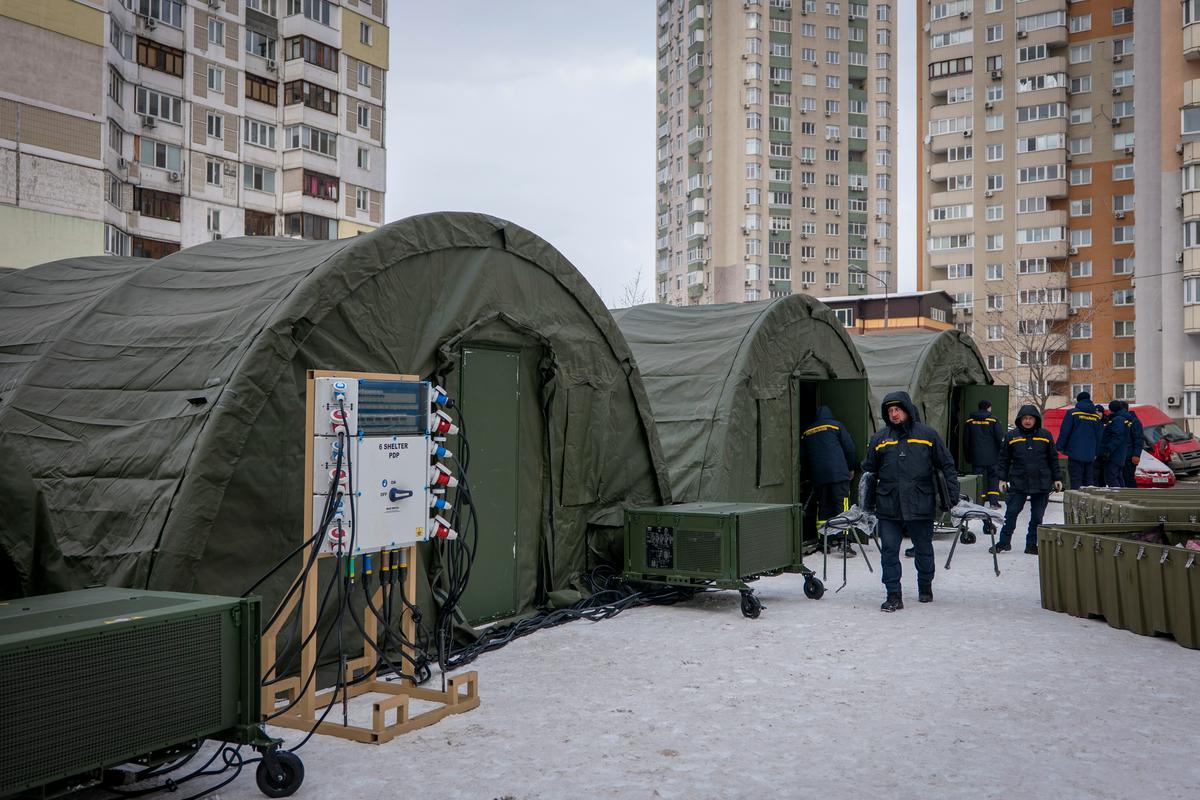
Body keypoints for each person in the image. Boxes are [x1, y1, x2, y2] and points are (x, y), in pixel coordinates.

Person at [861, 391, 959, 612]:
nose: (894, 414)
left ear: (906, 409)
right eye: (890, 411)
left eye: (897, 410)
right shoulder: (880, 439)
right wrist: (865, 504)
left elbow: (947, 465)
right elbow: (868, 471)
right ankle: (893, 595)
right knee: (889, 551)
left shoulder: (927, 435)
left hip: (920, 503)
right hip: (888, 505)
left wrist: (950, 496)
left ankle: (925, 586)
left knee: (923, 548)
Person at [991, 405, 1062, 555]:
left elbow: (1053, 458)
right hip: (1019, 482)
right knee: (1011, 512)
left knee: (1037, 516)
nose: (1028, 421)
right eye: (1025, 418)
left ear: (1036, 419)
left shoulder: (1045, 435)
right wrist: (1002, 479)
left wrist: (1057, 478)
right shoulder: (1011, 436)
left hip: (1041, 482)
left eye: (1030, 418)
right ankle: (1004, 542)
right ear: (1020, 420)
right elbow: (1003, 459)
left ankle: (1031, 544)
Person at [799, 405, 858, 554]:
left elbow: (802, 457)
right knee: (842, 506)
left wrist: (806, 477)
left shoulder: (807, 432)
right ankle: (844, 541)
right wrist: (851, 468)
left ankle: (824, 541)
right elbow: (849, 448)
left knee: (823, 507)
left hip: (819, 477)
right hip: (839, 474)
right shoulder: (836, 426)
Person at [1055, 391, 1103, 488]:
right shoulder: (1096, 417)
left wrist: (1059, 447)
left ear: (1078, 400)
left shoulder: (1073, 413)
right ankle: (1088, 502)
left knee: (1076, 479)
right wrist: (1096, 453)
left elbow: (1065, 431)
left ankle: (1076, 501)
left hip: (1075, 453)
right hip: (1090, 455)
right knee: (1089, 481)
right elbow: (1099, 437)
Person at [964, 399, 1004, 509]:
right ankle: (993, 503)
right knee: (993, 478)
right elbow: (999, 438)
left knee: (978, 479)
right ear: (988, 407)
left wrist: (968, 456)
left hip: (976, 457)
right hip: (992, 457)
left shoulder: (969, 421)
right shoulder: (993, 420)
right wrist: (1002, 453)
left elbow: (966, 441)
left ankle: (978, 502)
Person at [1100, 400, 1132, 487]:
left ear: (1111, 409)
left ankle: (1117, 496)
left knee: (1111, 477)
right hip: (1119, 453)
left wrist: (1108, 449)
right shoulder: (1121, 418)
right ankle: (1122, 495)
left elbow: (1117, 437)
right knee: (1117, 476)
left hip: (1114, 454)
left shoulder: (1118, 419)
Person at [1121, 401, 1144, 488]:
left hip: (1130, 457)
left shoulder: (1134, 421)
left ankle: (1133, 495)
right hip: (1123, 456)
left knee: (1128, 478)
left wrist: (1136, 455)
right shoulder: (1123, 420)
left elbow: (1138, 439)